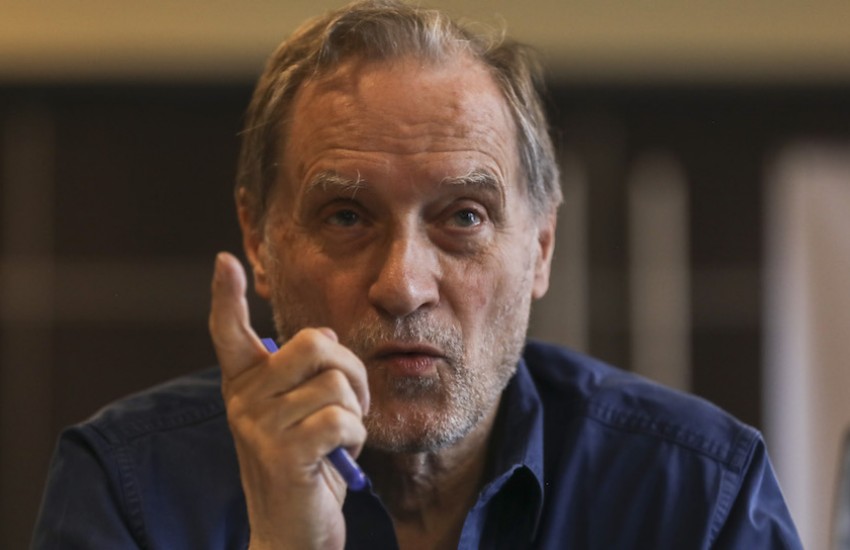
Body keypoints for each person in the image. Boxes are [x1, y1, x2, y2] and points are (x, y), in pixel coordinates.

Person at [33, 0, 802, 548]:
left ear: (539, 248)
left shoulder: (698, 495)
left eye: (464, 217)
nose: (403, 284)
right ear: (260, 241)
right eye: (346, 216)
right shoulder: (129, 488)